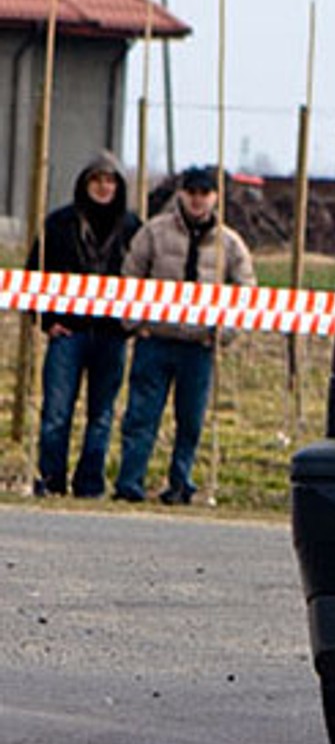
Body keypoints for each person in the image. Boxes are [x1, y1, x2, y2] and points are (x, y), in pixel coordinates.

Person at [113, 166, 256, 504]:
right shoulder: (154, 232)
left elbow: (247, 292)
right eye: (191, 192)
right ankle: (129, 483)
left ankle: (180, 484)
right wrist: (136, 323)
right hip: (156, 342)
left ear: (215, 197)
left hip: (198, 346)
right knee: (140, 417)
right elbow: (130, 276)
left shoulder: (229, 244)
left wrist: (223, 334)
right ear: (181, 193)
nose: (197, 199)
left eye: (204, 193)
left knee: (190, 421)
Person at [25, 152, 142, 498]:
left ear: (118, 186)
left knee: (102, 416)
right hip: (68, 333)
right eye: (97, 180)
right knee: (56, 413)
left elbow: (145, 281)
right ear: (85, 183)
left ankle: (90, 483)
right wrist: (46, 322)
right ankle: (50, 479)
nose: (103, 187)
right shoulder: (59, 224)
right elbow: (34, 276)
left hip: (111, 335)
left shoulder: (133, 228)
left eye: (110, 181)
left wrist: (130, 325)